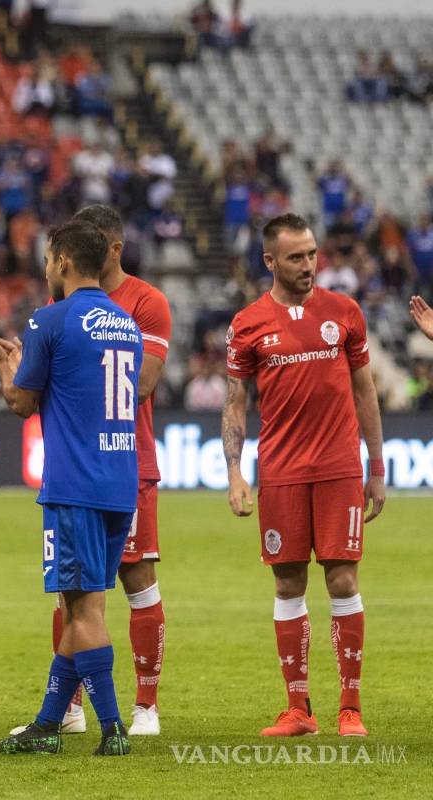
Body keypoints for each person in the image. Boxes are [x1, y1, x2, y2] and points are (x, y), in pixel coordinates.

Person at [0, 219, 142, 757]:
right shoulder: (126, 323)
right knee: (81, 606)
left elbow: (21, 402)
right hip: (120, 482)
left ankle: (112, 728)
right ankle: (47, 724)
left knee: (84, 611)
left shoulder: (50, 319)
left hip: (74, 485)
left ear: (63, 261)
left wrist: (5, 366)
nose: (45, 269)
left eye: (47, 260)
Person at [223, 213, 384, 738]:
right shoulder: (247, 323)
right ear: (270, 261)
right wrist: (235, 473)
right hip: (281, 472)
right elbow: (235, 402)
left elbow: (364, 390)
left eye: (312, 253)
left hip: (339, 468)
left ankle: (350, 709)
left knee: (343, 579)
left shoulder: (344, 312)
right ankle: (299, 710)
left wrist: (377, 466)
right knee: (288, 582)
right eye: (296, 257)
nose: (308, 264)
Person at [48, 205, 171, 737]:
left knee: (138, 579)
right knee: (69, 589)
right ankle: (70, 706)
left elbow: (142, 384)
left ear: (113, 249)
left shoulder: (147, 302)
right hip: (74, 465)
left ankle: (146, 705)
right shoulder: (62, 300)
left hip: (128, 460)